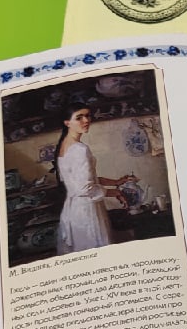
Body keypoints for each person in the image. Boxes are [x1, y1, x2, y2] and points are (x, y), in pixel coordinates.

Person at [51, 102, 134, 255]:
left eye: (87, 116)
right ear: (67, 122)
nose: (86, 120)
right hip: (86, 210)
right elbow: (85, 188)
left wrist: (116, 182)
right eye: (79, 118)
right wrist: (114, 192)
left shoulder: (64, 145)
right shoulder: (79, 149)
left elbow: (84, 180)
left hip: (73, 210)